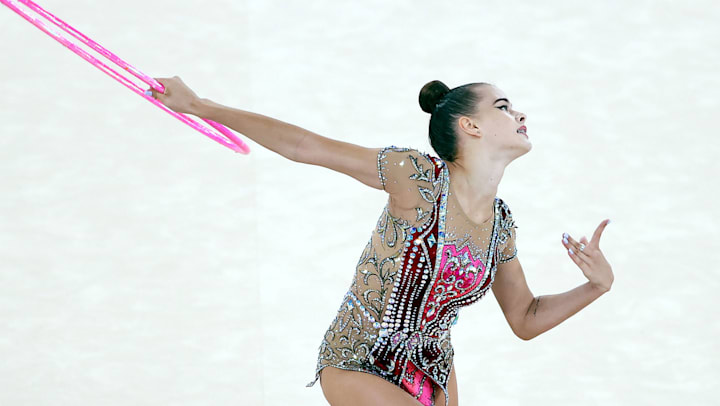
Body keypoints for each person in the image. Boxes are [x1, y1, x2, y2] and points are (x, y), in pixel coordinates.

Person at [148, 77, 615, 406]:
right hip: (358, 359)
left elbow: (525, 318)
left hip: (434, 374)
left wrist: (596, 286)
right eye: (503, 107)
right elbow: (305, 146)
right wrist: (200, 105)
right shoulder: (416, 177)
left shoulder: (500, 225)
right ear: (470, 126)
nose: (519, 114)